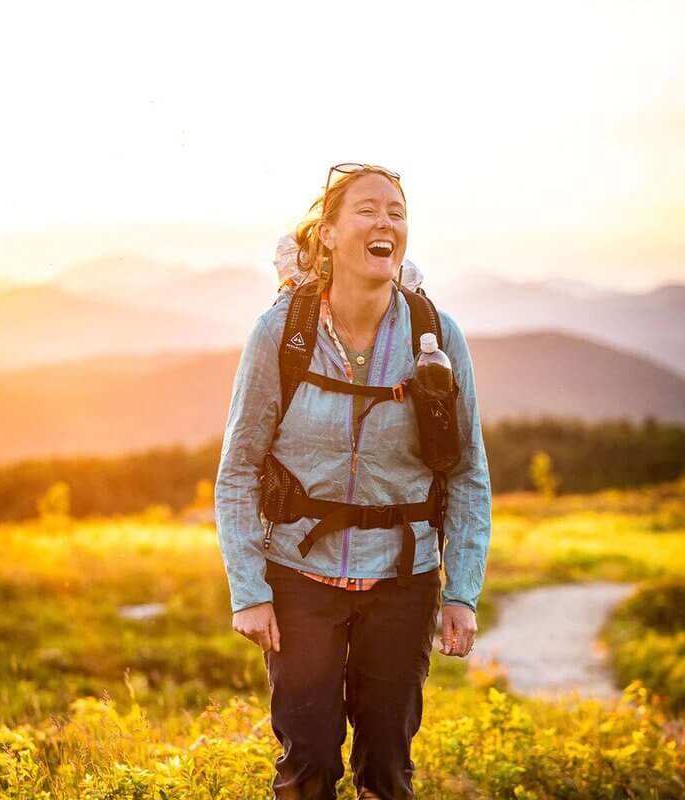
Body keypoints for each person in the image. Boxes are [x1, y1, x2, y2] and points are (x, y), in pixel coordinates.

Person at [215, 163, 492, 800]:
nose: (385, 223)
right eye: (367, 210)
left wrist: (463, 590)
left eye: (396, 212)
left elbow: (469, 471)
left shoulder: (437, 338)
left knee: (388, 767)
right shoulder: (282, 335)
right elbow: (237, 471)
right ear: (330, 235)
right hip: (298, 578)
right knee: (308, 762)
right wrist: (248, 588)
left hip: (404, 579)